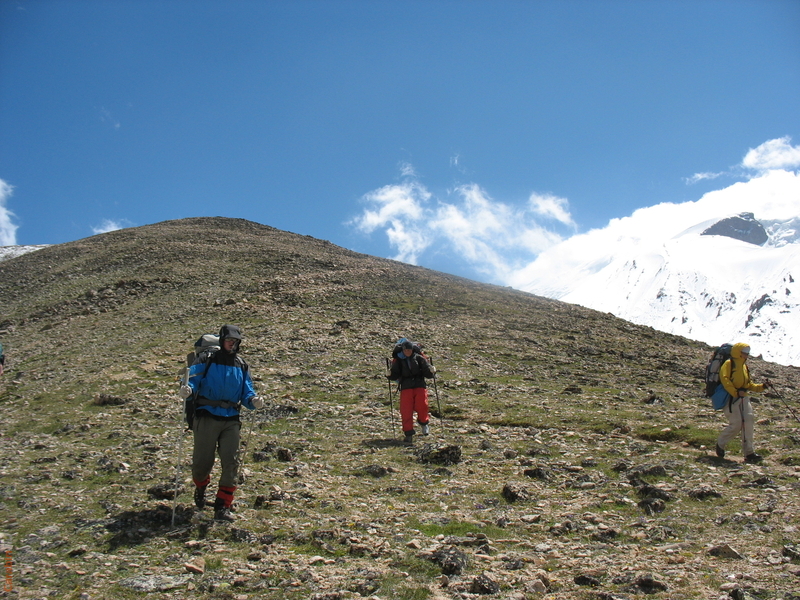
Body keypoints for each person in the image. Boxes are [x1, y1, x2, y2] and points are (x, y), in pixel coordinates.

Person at [179, 324, 262, 521]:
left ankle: (222, 507)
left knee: (231, 463)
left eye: (235, 342)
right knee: (201, 464)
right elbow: (192, 379)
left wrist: (253, 401)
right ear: (222, 340)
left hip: (231, 419)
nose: (232, 344)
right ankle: (200, 488)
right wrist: (187, 389)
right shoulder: (206, 359)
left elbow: (247, 390)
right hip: (207, 416)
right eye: (229, 341)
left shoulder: (241, 365)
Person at [715, 342, 769, 464]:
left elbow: (748, 385)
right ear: (738, 352)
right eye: (745, 352)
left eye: (747, 352)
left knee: (748, 421)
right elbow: (725, 380)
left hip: (743, 397)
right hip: (731, 398)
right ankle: (720, 443)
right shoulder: (729, 364)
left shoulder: (744, 366)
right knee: (737, 424)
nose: (747, 355)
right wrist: (735, 392)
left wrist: (763, 387)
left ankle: (749, 453)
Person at [388, 339, 436, 444]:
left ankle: (424, 423)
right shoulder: (398, 360)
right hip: (406, 386)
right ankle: (408, 434)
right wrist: (390, 375)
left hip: (419, 385)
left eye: (409, 350)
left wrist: (431, 372)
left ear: (412, 350)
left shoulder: (419, 358)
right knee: (406, 411)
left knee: (422, 406)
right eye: (406, 350)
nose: (408, 352)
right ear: (403, 350)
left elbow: (427, 372)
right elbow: (395, 374)